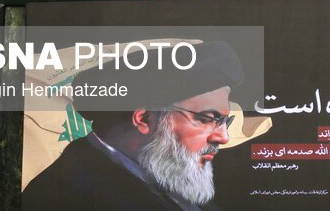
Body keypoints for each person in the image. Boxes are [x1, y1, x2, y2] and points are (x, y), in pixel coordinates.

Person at [22, 41, 270, 211]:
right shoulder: (73, 192)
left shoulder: (165, 173)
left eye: (225, 121)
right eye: (207, 119)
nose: (223, 137)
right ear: (144, 119)